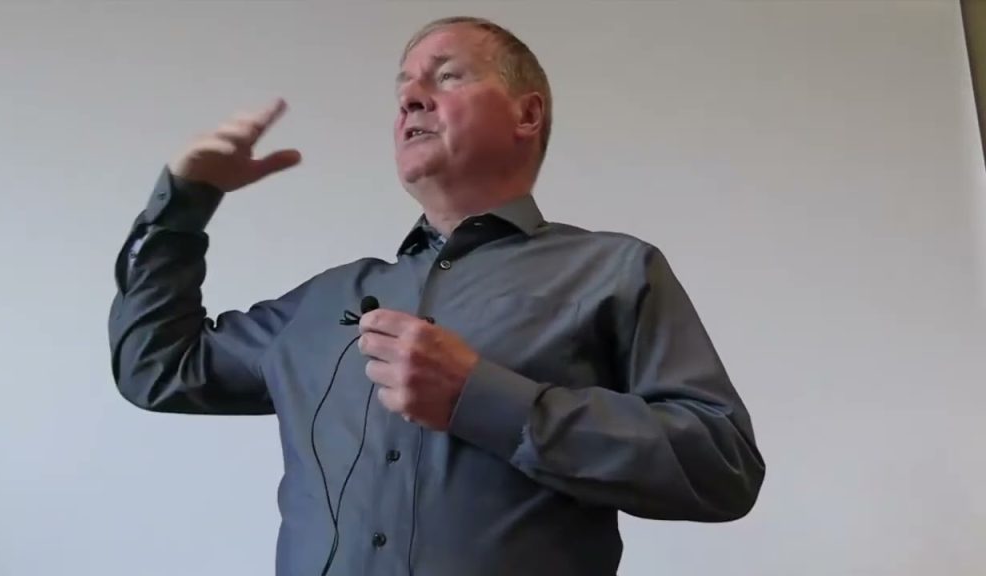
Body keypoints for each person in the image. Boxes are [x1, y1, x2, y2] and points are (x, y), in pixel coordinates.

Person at [108, 15, 765, 576]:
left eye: (447, 77)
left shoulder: (614, 271)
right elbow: (157, 366)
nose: (411, 99)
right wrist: (181, 207)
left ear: (527, 114)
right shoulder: (325, 300)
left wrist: (486, 400)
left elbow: (723, 466)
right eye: (403, 88)